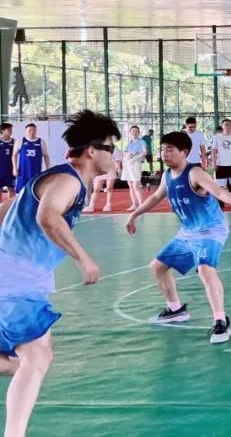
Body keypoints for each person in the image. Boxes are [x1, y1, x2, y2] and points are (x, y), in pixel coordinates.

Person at [0, 111, 118, 437]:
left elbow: (5, 211)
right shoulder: (68, 181)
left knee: (25, 361)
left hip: (17, 277)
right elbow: (48, 217)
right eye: (110, 148)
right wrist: (84, 259)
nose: (114, 155)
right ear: (92, 151)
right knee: (36, 358)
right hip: (16, 279)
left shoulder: (52, 178)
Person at [125, 132, 231, 344]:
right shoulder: (168, 175)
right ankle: (176, 309)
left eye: (170, 149)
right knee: (157, 267)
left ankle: (221, 320)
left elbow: (219, 192)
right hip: (188, 231)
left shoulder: (195, 173)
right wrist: (134, 214)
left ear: (184, 152)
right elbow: (156, 196)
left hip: (210, 229)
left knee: (205, 270)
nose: (164, 153)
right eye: (162, 149)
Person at [13, 123, 50, 194]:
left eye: (34, 130)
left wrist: (48, 167)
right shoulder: (20, 141)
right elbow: (14, 155)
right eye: (30, 130)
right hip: (23, 171)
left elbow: (46, 155)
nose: (32, 132)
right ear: (25, 131)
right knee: (20, 192)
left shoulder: (41, 142)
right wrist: (14, 168)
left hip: (36, 171)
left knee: (35, 191)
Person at [211, 119, 231, 201]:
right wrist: (214, 163)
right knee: (220, 186)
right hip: (220, 165)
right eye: (226, 124)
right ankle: (220, 202)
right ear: (222, 126)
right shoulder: (217, 137)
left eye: (229, 124)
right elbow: (214, 151)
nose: (228, 126)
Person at [85, 147, 120, 213]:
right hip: (100, 169)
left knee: (109, 188)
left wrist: (118, 169)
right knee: (96, 188)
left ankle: (108, 205)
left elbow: (117, 160)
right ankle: (91, 206)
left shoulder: (113, 148)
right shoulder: (96, 147)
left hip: (111, 169)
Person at [122, 125, 147, 210]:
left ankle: (142, 205)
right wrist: (126, 157)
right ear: (130, 133)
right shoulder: (129, 143)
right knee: (130, 185)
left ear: (139, 132)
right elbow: (125, 153)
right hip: (127, 164)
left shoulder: (142, 142)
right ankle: (134, 204)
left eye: (136, 131)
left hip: (136, 164)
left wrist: (134, 158)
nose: (134, 132)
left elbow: (144, 152)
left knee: (136, 185)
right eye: (133, 131)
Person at [0, 123, 15, 200]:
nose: (10, 131)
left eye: (11, 129)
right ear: (2, 130)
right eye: (8, 129)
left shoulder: (14, 141)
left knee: (11, 189)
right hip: (0, 169)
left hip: (10, 170)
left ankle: (11, 206)